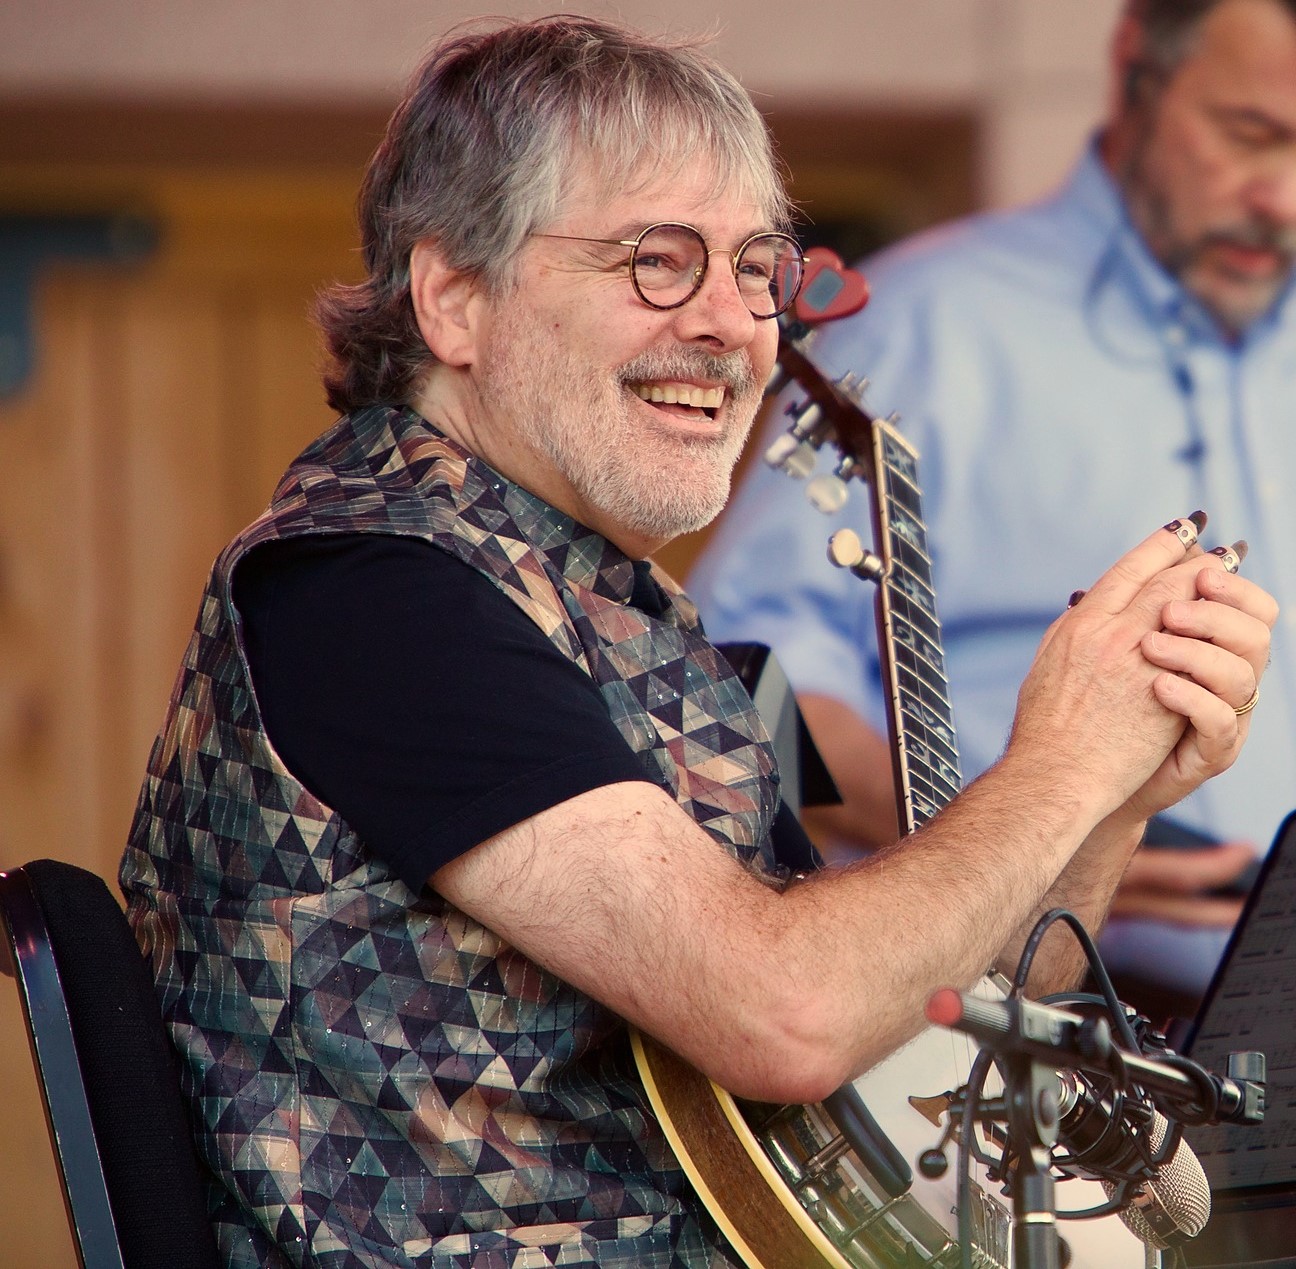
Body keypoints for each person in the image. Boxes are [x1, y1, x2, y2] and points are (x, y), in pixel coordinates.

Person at [118, 16, 1274, 1268]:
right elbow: (787, 1015)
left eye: (757, 266)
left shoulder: (629, 616)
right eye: (658, 262)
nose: (734, 325)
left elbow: (943, 1031)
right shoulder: (369, 587)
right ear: (454, 299)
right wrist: (1054, 765)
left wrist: (1113, 789)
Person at [691, 0, 1296, 1013]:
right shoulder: (926, 321)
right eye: (1249, 134)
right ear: (1137, 74)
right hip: (1034, 1032)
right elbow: (742, 683)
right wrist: (1024, 836)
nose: (1281, 196)